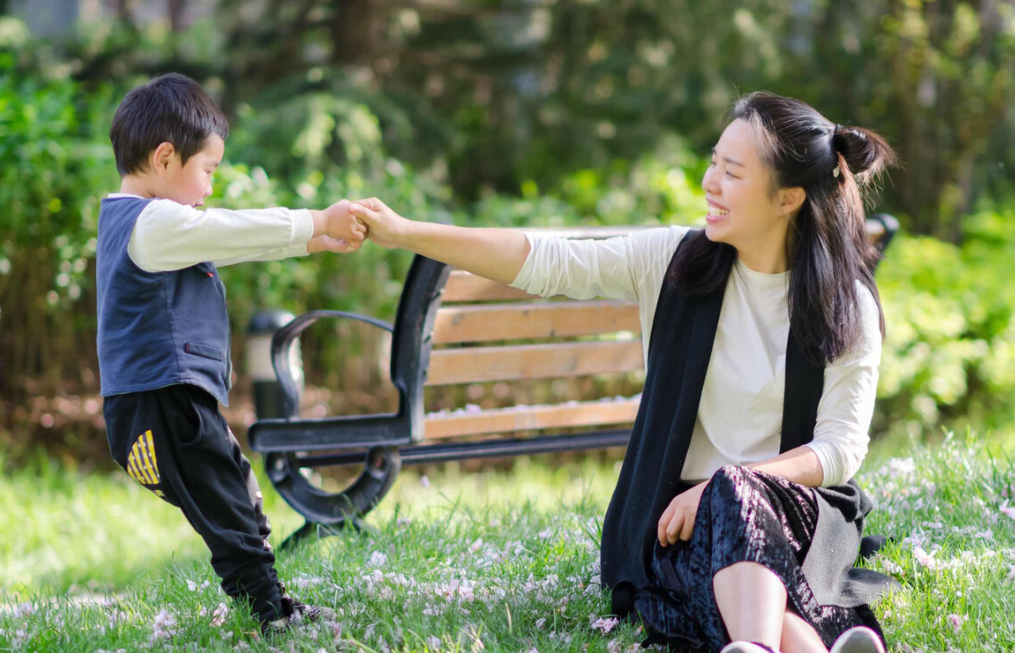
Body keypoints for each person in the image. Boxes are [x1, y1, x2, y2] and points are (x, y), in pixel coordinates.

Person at [347, 92, 899, 653]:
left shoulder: (845, 302)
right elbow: (542, 260)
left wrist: (733, 484)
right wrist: (405, 231)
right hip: (677, 521)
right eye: (713, 162)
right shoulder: (672, 263)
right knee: (730, 567)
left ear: (788, 198)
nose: (709, 182)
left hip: (794, 510)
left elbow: (840, 449)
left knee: (734, 528)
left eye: (732, 173)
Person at [96, 72, 365, 635]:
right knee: (231, 510)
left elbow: (224, 240)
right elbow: (228, 229)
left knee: (236, 493)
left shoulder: (149, 222)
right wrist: (316, 220)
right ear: (165, 157)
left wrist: (312, 241)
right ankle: (270, 612)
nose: (210, 188)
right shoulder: (151, 222)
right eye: (208, 171)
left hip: (162, 405)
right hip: (159, 404)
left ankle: (268, 603)